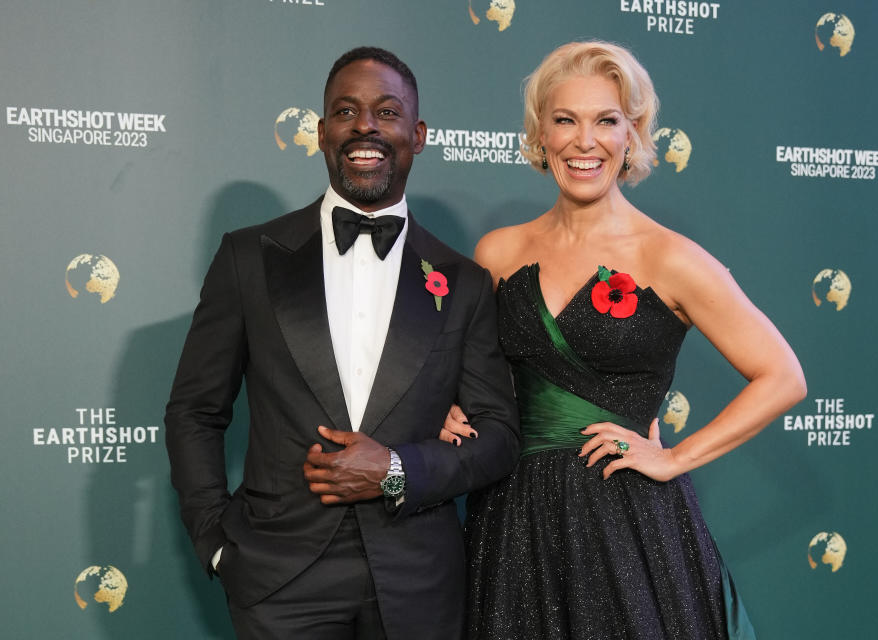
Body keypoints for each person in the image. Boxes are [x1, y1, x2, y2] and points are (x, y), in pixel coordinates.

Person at [441, 41, 807, 639]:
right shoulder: (498, 253)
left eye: (606, 121)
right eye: (565, 120)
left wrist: (674, 458)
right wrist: (458, 408)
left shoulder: (671, 258)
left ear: (632, 134)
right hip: (511, 522)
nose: (585, 141)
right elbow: (482, 377)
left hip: (627, 526)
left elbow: (783, 376)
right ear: (540, 134)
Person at [165, 46, 520, 640]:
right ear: (322, 131)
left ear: (418, 133)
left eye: (386, 112)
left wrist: (397, 469)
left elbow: (500, 438)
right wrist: (217, 542)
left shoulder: (462, 281)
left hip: (419, 585)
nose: (365, 127)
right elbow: (194, 411)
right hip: (278, 580)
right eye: (346, 111)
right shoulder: (249, 258)